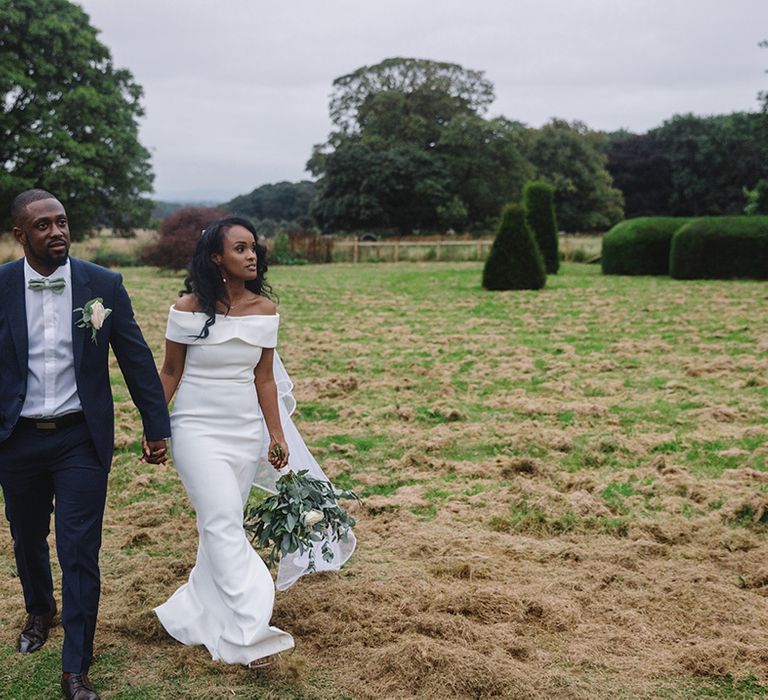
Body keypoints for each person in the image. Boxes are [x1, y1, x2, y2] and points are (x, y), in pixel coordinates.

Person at [153, 217, 355, 668]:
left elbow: (264, 379)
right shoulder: (186, 307)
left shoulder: (264, 311)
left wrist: (276, 434)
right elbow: (170, 372)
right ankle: (249, 628)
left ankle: (196, 614)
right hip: (195, 429)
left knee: (216, 523)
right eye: (240, 248)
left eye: (253, 248)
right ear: (215, 258)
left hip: (244, 433)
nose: (251, 255)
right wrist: (153, 426)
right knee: (224, 521)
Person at [0, 189, 171, 700]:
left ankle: (76, 666)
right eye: (44, 226)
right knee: (28, 538)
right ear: (21, 235)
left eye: (62, 223)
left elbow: (136, 358)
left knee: (79, 550)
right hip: (16, 439)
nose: (57, 232)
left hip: (81, 438)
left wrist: (155, 425)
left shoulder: (103, 285)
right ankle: (38, 610)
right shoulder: (1, 287)